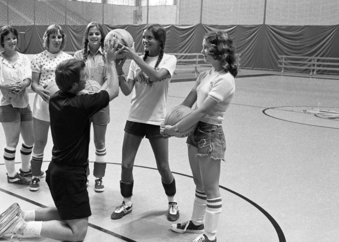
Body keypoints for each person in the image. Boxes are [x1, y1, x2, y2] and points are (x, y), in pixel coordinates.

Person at [0, 38, 121, 241]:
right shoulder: (81, 104)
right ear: (76, 84)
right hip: (70, 175)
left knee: (68, 213)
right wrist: (111, 62)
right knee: (78, 232)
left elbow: (55, 83)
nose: (87, 81)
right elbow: (113, 91)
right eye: (84, 78)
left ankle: (21, 215)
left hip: (57, 171)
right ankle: (23, 227)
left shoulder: (56, 97)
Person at [162, 30, 238, 242]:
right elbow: (189, 102)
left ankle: (210, 236)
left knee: (212, 188)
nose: (202, 51)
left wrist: (176, 128)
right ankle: (197, 222)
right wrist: (169, 120)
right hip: (196, 130)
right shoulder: (205, 75)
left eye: (206, 47)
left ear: (219, 51)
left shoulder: (226, 80)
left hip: (210, 134)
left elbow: (202, 111)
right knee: (199, 183)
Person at [110, 24, 180, 222]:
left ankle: (172, 202)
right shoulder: (135, 61)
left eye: (150, 37)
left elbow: (156, 76)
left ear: (160, 41)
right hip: (135, 117)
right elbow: (126, 90)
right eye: (144, 37)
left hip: (156, 120)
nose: (146, 41)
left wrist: (134, 58)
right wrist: (118, 68)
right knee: (126, 164)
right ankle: (126, 202)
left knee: (163, 167)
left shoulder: (169, 60)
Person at [0, 25, 34, 185]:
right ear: (2, 41)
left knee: (30, 140)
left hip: (23, 103)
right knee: (12, 141)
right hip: (7, 105)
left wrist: (22, 84)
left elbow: (28, 78)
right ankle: (12, 174)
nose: (12, 41)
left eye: (14, 38)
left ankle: (26, 169)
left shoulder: (24, 58)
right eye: (8, 39)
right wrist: (7, 87)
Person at [29, 24, 73, 192]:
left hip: (62, 106)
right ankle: (34, 176)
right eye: (53, 36)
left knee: (61, 143)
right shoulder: (38, 58)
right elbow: (34, 83)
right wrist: (39, 89)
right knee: (39, 142)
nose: (56, 40)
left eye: (59, 37)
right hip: (42, 104)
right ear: (46, 39)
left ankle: (61, 175)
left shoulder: (68, 59)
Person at [74, 22, 110, 193]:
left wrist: (98, 95)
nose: (94, 36)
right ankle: (83, 175)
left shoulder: (107, 57)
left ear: (101, 36)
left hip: (101, 104)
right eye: (91, 34)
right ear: (86, 37)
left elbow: (110, 80)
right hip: (82, 104)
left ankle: (99, 178)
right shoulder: (78, 55)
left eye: (97, 33)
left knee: (99, 142)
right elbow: (75, 79)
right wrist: (83, 93)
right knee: (82, 142)